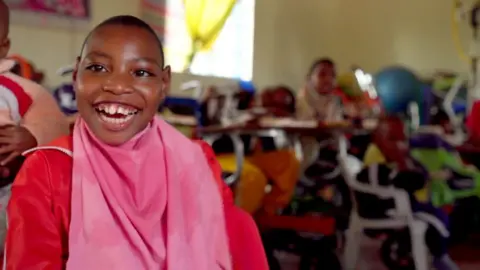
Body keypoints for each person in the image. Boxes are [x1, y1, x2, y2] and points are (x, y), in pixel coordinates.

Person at [4, 15, 268, 270]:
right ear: (76, 74)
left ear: (164, 83)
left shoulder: (194, 162)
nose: (118, 86)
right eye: (98, 68)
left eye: (141, 72)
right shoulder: (49, 170)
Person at [360, 116, 458, 270]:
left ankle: (438, 253)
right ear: (377, 139)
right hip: (388, 208)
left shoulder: (392, 156)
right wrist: (405, 164)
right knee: (435, 218)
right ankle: (440, 256)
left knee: (439, 212)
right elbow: (406, 180)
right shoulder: (375, 160)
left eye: (403, 140)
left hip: (402, 202)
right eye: (393, 139)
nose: (400, 145)